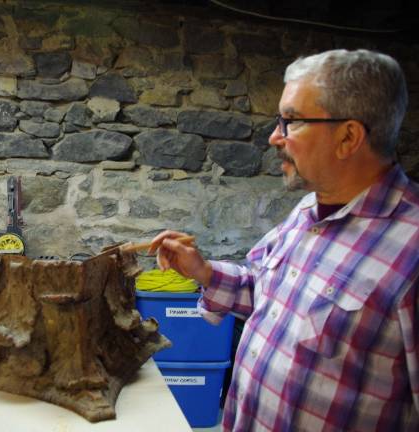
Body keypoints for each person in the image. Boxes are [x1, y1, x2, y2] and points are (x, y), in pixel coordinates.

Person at [151, 49, 418, 430]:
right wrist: (204, 271)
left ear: (348, 137)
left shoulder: (412, 251)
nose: (275, 137)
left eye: (291, 121)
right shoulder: (306, 212)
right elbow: (268, 293)